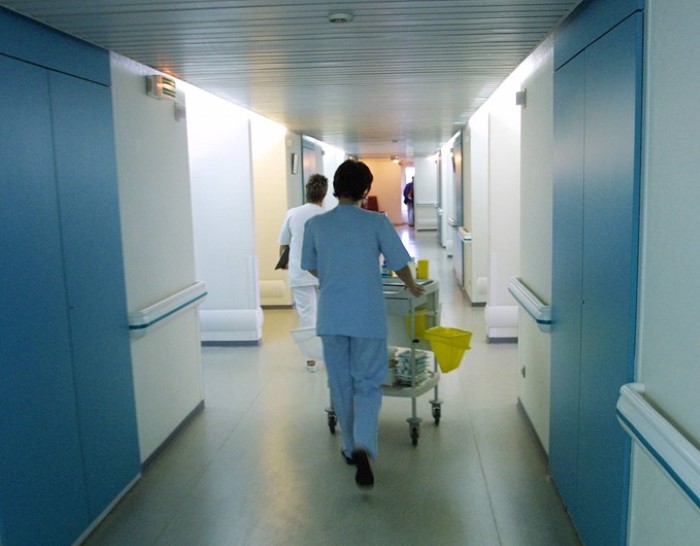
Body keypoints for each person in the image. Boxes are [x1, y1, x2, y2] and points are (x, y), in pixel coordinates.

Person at [301, 159, 424, 488]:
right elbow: (398, 262)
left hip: (331, 315)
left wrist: (334, 276)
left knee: (340, 383)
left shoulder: (316, 225)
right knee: (367, 383)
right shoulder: (376, 222)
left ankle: (348, 445)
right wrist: (412, 285)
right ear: (366, 190)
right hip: (367, 315)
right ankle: (362, 444)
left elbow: (309, 265)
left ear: (335, 188)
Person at [278, 173, 329, 372]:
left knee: (307, 315)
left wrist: (284, 261)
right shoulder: (327, 215)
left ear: (306, 192)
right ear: (324, 194)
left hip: (299, 270)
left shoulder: (293, 213)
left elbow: (284, 243)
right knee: (325, 313)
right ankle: (330, 354)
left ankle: (311, 359)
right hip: (324, 271)